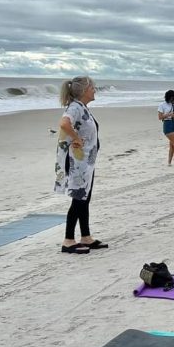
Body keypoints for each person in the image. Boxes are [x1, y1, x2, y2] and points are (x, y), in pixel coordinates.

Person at [54, 75, 107, 253]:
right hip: (77, 163)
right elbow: (63, 123)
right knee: (78, 199)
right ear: (84, 91)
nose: (94, 91)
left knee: (85, 199)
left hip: (86, 163)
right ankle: (68, 240)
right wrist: (76, 138)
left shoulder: (82, 107)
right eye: (92, 88)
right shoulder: (75, 107)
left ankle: (85, 236)